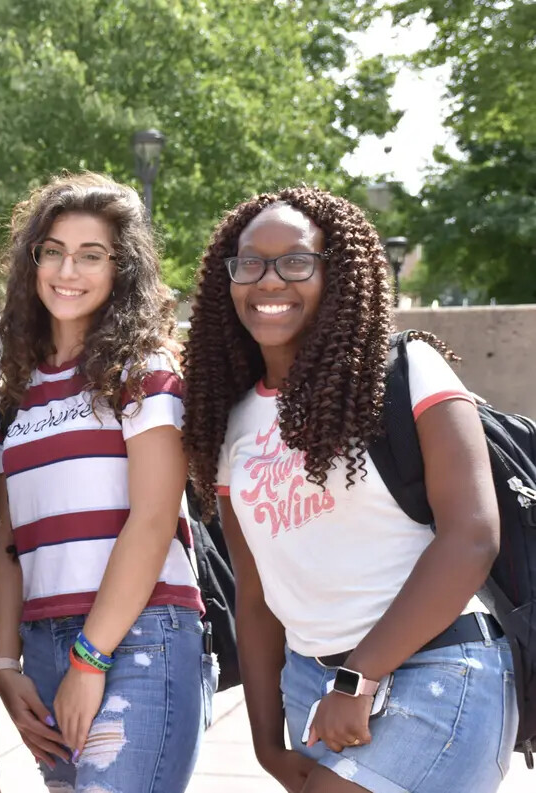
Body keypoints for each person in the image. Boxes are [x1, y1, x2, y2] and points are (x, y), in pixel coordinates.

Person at [181, 187, 518, 793]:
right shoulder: (232, 423)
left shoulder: (407, 370)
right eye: (250, 262)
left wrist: (358, 679)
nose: (269, 281)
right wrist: (265, 743)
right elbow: (257, 597)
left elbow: (472, 536)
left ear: (335, 272)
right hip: (312, 685)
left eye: (296, 261)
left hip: (436, 667)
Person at [0, 173, 216, 793]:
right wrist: (6, 665)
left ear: (123, 269)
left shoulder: (142, 369)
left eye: (92, 255)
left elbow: (152, 518)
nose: (69, 270)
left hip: (139, 638)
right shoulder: (15, 393)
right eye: (54, 251)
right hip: (41, 643)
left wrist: (90, 658)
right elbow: (9, 545)